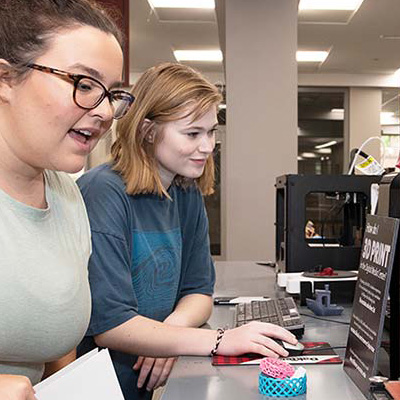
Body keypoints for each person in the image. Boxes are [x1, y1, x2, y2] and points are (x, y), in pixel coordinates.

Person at [77, 62, 298, 400]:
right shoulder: (103, 192)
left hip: (154, 383)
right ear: (148, 131)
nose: (208, 146)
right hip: (105, 386)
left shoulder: (185, 192)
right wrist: (222, 339)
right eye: (193, 133)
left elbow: (199, 291)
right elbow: (111, 325)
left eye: (211, 132)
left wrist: (169, 333)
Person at [0, 1, 134, 399]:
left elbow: (58, 348)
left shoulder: (68, 195)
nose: (106, 111)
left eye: (112, 93)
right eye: (85, 84)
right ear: (6, 78)